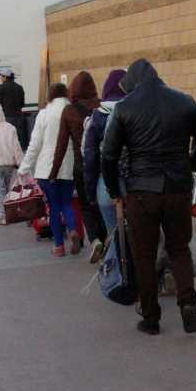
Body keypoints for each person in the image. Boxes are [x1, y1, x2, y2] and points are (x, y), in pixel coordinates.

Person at [101, 58, 196, 335]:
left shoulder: (124, 108)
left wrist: (114, 191)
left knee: (143, 255)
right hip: (177, 188)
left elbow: (108, 155)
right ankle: (187, 301)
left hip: (141, 192)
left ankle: (150, 317)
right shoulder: (184, 102)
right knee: (179, 248)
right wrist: (191, 165)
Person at [52, 71, 109, 262]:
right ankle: (107, 238)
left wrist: (54, 172)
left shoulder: (69, 111)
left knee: (86, 206)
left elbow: (61, 145)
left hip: (81, 165)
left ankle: (94, 240)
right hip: (101, 164)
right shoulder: (101, 107)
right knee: (101, 203)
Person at [19, 83, 79, 255]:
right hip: (67, 166)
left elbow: (35, 144)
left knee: (53, 207)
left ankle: (59, 246)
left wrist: (24, 167)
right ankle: (73, 229)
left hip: (46, 169)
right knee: (67, 202)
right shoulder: (72, 111)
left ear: (51, 96)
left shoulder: (44, 114)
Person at [85, 69, 127, 238]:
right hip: (134, 181)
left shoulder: (98, 115)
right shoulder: (134, 111)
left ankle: (117, 259)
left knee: (114, 233)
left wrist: (90, 193)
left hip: (106, 183)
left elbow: (90, 157)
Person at [0, 68, 28, 148]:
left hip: (7, 118)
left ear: (5, 77)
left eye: (1, 76)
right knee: (19, 139)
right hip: (19, 117)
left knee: (9, 140)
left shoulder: (1, 87)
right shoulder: (19, 87)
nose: (0, 78)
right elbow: (22, 104)